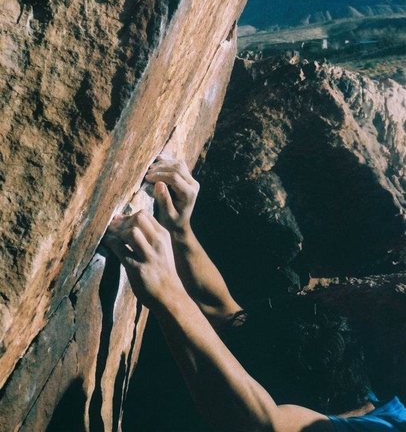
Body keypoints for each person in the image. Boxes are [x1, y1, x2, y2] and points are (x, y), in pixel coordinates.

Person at [105, 156, 406, 432]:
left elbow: (263, 424)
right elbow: (226, 315)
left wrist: (169, 295)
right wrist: (179, 229)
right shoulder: (353, 393)